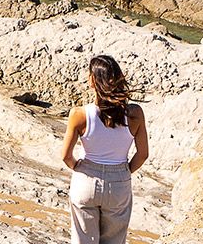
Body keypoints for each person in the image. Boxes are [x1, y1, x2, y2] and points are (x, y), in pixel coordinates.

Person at [58, 55, 149, 244]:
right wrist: (123, 171)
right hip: (119, 182)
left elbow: (65, 155)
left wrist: (80, 168)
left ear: (92, 81)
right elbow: (143, 154)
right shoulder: (135, 113)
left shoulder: (79, 114)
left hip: (86, 179)